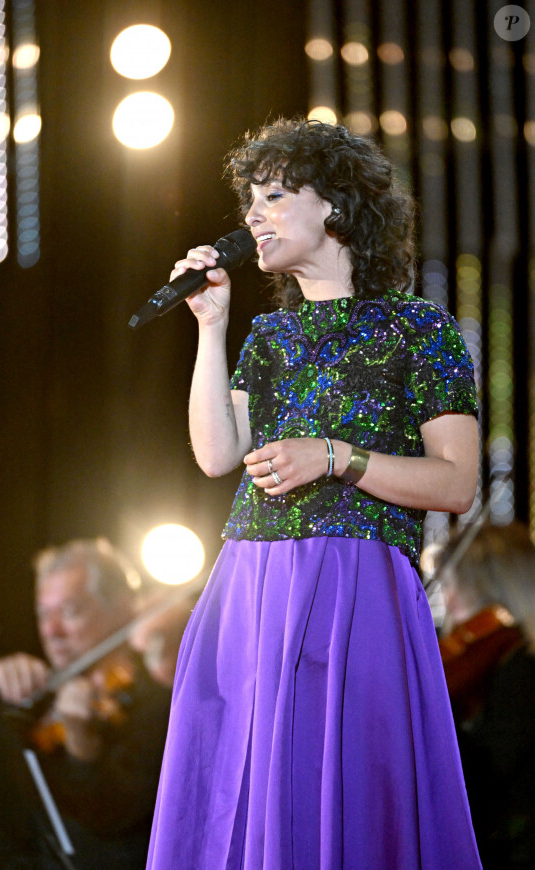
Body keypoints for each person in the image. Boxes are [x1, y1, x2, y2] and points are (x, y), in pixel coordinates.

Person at [145, 117, 482, 869]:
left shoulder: (416, 330)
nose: (252, 217)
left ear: (332, 204)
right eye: (248, 204)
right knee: (246, 793)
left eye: (272, 196)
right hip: (250, 585)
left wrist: (336, 457)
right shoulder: (268, 337)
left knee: (345, 797)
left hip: (358, 587)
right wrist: (211, 326)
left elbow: (457, 483)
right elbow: (215, 455)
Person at [0, 538, 175, 870]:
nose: (52, 631)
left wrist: (82, 745)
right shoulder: (41, 697)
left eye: (70, 612)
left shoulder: (158, 699)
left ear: (122, 608)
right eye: (43, 615)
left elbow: (116, 820)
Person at [438, 521, 535, 869]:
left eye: (451, 586)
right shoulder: (490, 657)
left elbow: (488, 775)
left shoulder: (521, 667)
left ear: (491, 586)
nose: (446, 603)